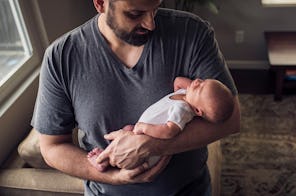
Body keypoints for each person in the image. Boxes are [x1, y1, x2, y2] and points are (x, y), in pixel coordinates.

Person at [32, 0, 240, 195]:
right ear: (100, 3)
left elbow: (230, 119)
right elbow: (52, 146)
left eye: (155, 8)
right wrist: (116, 177)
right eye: (135, 13)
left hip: (188, 190)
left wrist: (152, 145)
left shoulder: (191, 33)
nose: (150, 23)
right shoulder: (61, 58)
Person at [87, 76, 234, 171]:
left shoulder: (183, 110)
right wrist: (193, 88)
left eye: (200, 88)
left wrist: (146, 128)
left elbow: (169, 131)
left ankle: (102, 161)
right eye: (202, 81)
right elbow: (177, 81)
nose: (197, 82)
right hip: (139, 132)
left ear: (197, 110)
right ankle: (107, 154)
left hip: (147, 153)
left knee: (125, 141)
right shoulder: (186, 94)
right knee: (126, 132)